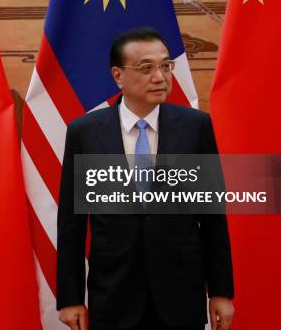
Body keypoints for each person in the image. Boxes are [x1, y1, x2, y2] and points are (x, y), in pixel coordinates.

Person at [56, 28, 234, 330]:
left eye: (166, 66)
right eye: (146, 67)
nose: (160, 76)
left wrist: (220, 291)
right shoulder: (85, 133)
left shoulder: (195, 126)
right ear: (118, 75)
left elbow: (213, 217)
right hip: (114, 293)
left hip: (180, 293)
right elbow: (71, 223)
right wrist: (70, 297)